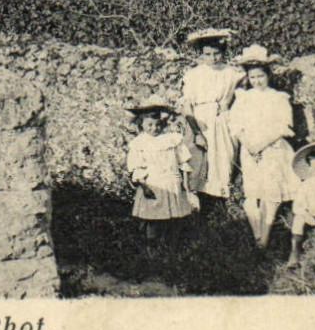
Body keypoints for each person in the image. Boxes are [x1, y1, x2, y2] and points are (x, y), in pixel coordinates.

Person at [226, 45, 296, 251]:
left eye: (261, 76)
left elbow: (284, 126)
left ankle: (265, 237)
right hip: (250, 148)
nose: (257, 81)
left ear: (268, 75)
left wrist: (263, 144)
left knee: (270, 192)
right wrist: (249, 144)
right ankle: (257, 233)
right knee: (252, 192)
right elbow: (235, 124)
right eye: (253, 77)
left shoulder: (278, 97)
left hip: (272, 147)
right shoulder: (243, 98)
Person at [179, 28, 243, 201]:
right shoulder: (194, 75)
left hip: (223, 119)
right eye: (207, 54)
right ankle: (196, 201)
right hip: (201, 120)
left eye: (216, 53)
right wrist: (196, 132)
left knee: (224, 159)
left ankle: (220, 200)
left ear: (223, 52)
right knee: (198, 160)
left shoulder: (232, 73)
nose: (213, 58)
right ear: (201, 54)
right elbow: (187, 106)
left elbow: (242, 99)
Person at [126, 96, 196, 247]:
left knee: (174, 216)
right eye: (149, 125)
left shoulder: (172, 139)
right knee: (153, 217)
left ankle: (171, 246)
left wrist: (186, 184)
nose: (154, 128)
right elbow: (137, 168)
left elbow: (183, 163)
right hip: (153, 184)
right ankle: (152, 247)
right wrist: (144, 186)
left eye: (157, 125)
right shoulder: (139, 143)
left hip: (172, 181)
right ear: (141, 124)